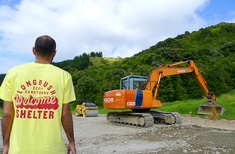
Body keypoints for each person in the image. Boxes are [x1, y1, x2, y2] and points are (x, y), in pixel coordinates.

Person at [0, 35, 77, 154]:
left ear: (33, 50)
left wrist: (6, 144)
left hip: (19, 149)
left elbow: (7, 114)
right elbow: (65, 114)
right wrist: (71, 141)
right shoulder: (64, 76)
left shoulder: (13, 73)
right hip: (52, 149)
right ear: (54, 53)